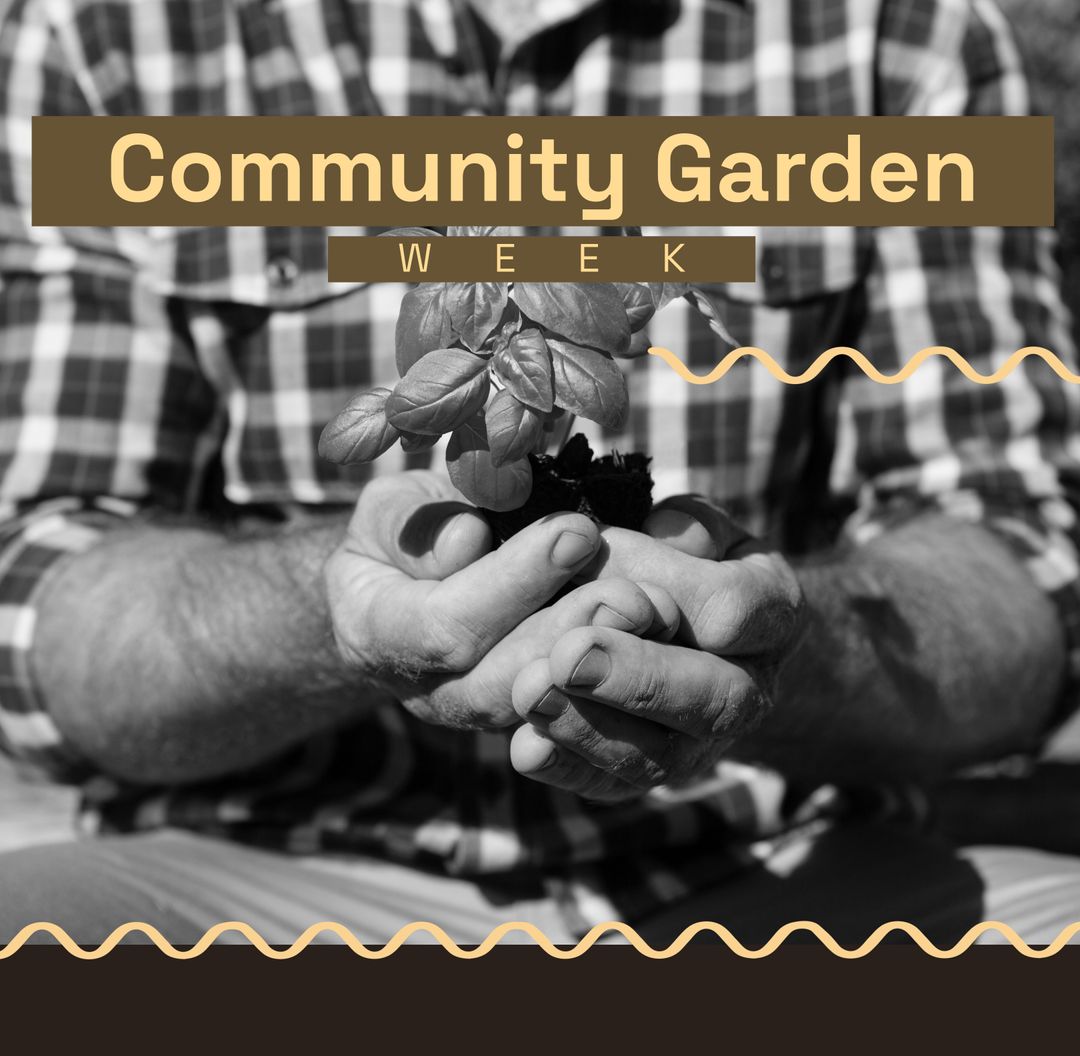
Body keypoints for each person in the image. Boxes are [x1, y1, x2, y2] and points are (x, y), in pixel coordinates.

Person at [2, 0, 1080, 947]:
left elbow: (1024, 568)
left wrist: (775, 640)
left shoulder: (905, 26)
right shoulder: (110, 27)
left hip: (782, 871)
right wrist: (331, 610)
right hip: (255, 874)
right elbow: (40, 597)